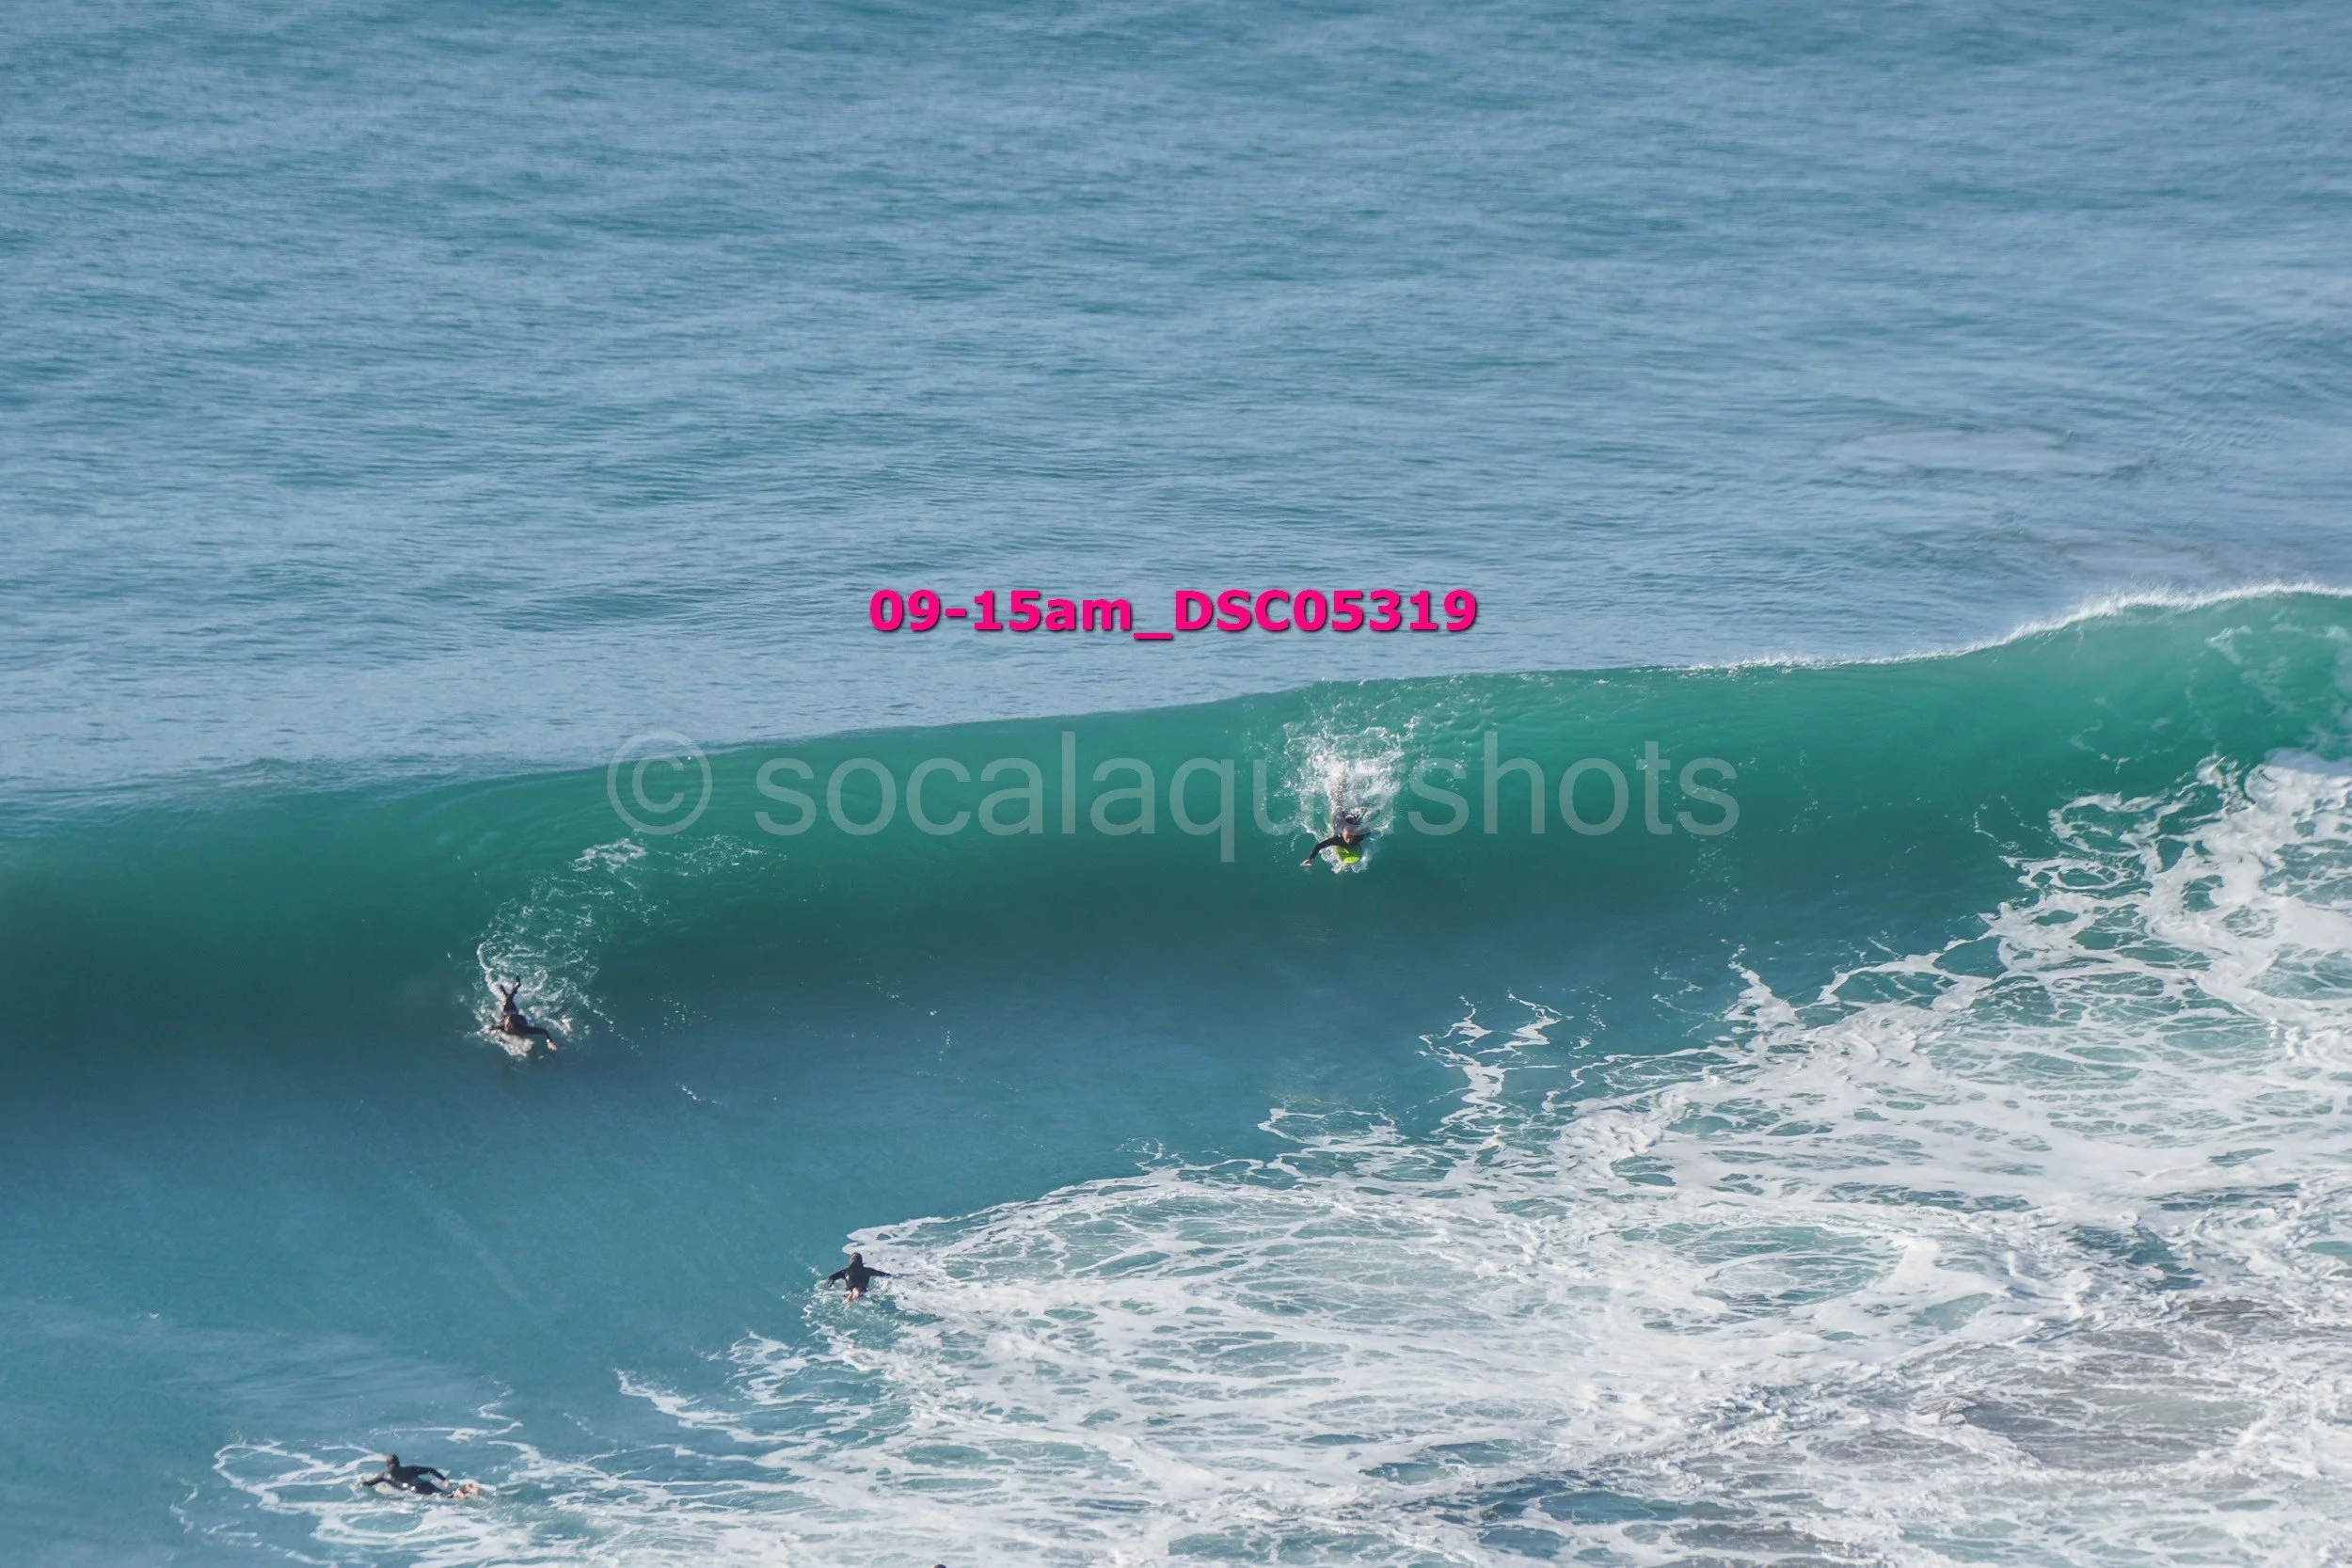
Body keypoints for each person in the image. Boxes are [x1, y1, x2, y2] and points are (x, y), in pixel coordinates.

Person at [360, 1454, 477, 1497]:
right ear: (399, 1463)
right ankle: (466, 1489)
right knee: (445, 1494)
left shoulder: (384, 1475)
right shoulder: (410, 1469)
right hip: (425, 1484)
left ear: (387, 1465)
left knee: (446, 1497)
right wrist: (444, 1479)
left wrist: (360, 1482)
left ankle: (460, 1492)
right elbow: (430, 1470)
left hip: (415, 1489)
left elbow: (368, 1484)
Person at [494, 981, 556, 1053]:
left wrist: (549, 1041)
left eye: (509, 1025)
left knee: (509, 1005)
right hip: (510, 1012)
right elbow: (491, 1029)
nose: (507, 1026)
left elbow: (544, 1031)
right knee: (506, 1003)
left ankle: (514, 989)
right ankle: (514, 989)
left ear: (514, 1026)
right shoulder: (503, 1025)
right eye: (507, 1024)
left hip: (520, 1019)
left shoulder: (522, 1028)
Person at [1300, 810, 1368, 869]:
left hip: (1352, 822)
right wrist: (1310, 859)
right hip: (1340, 823)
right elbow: (1319, 846)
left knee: (1357, 816)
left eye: (1352, 837)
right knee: (1338, 816)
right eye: (1347, 837)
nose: (1349, 840)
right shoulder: (1337, 840)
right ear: (1343, 835)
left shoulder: (1359, 836)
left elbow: (1367, 831)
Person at [826, 1252, 894, 1301]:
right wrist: (891, 1275)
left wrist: (830, 1284)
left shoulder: (845, 1271)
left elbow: (831, 1278)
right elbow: (882, 1274)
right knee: (859, 1289)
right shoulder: (868, 1270)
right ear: (861, 1261)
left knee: (852, 1288)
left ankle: (853, 1292)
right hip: (864, 1291)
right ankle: (856, 1291)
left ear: (851, 1261)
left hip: (849, 1290)